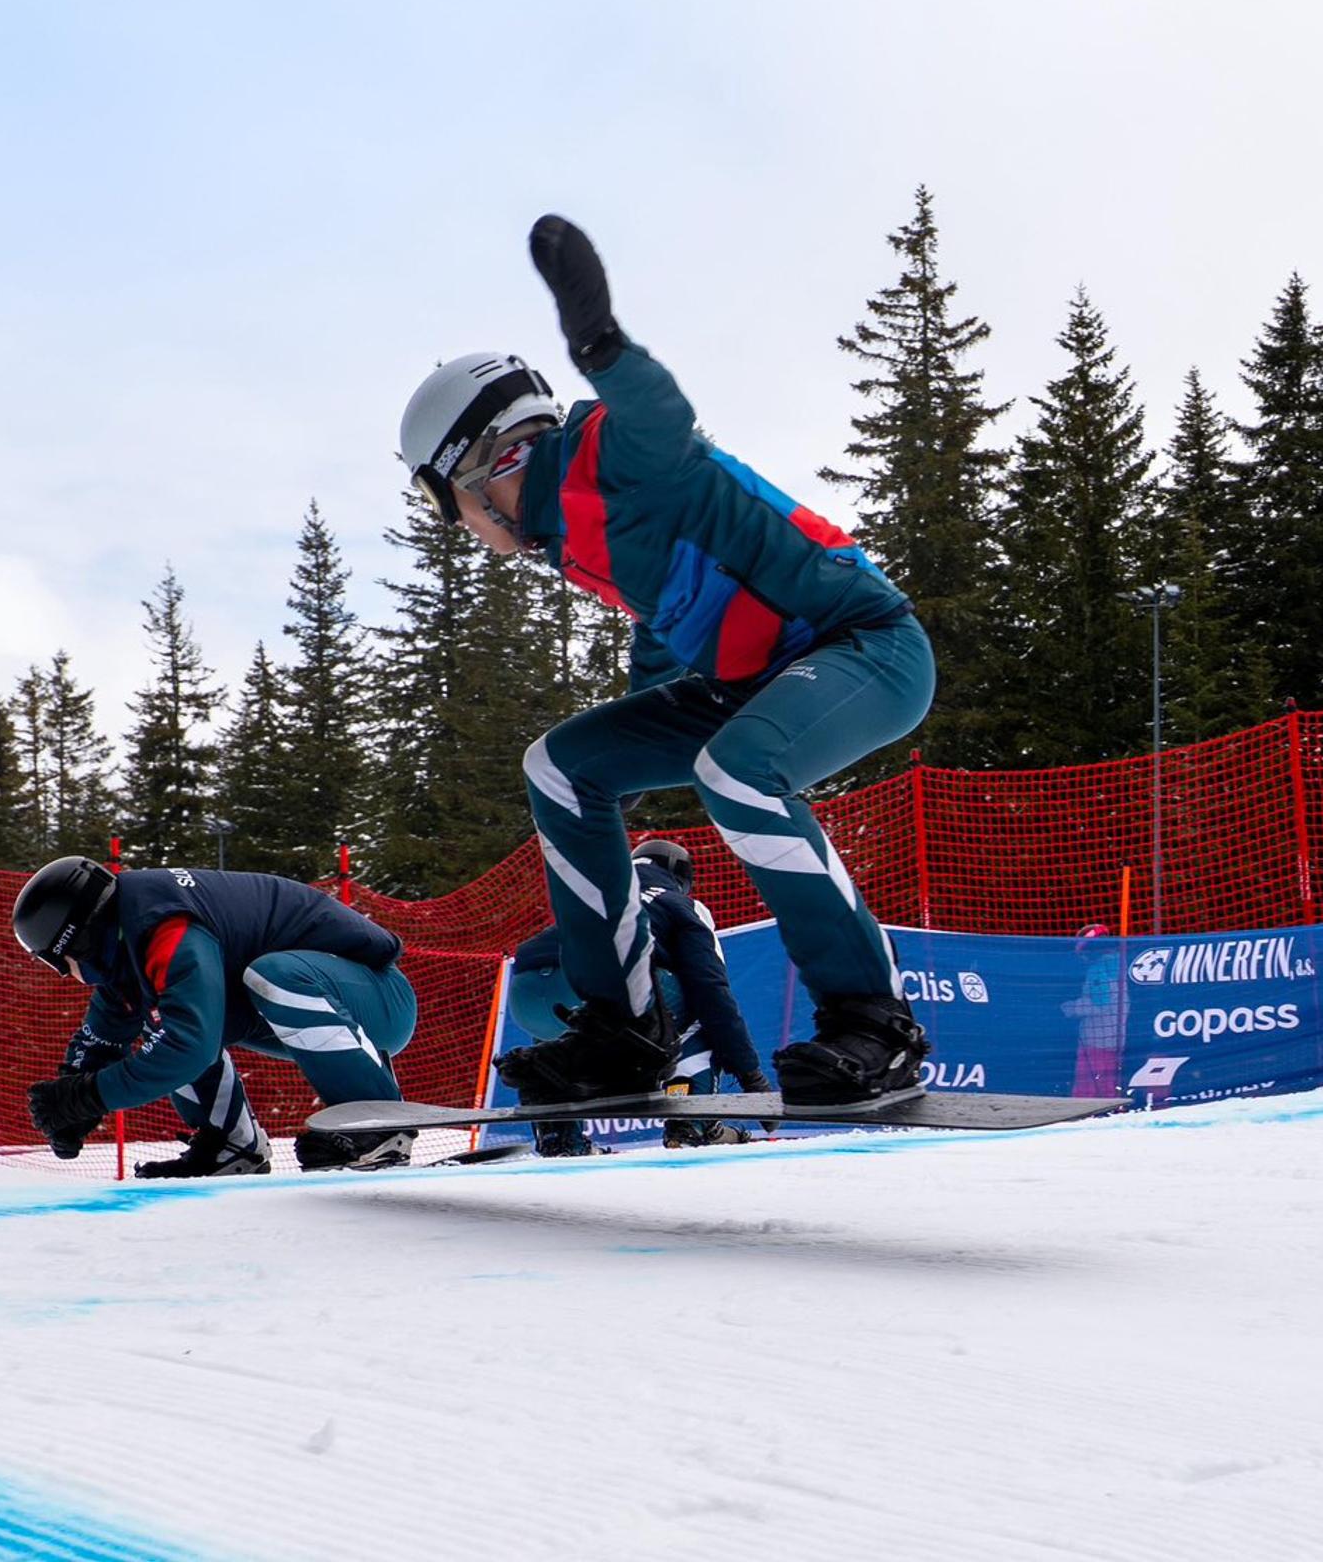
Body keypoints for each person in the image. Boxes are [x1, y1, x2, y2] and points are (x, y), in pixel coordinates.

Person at [396, 214, 937, 1110]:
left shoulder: (610, 456)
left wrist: (599, 343)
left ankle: (873, 1019)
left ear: (485, 466)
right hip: (748, 683)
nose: (458, 525)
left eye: (447, 501)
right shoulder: (568, 531)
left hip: (865, 647)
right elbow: (663, 615)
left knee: (738, 772)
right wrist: (638, 723)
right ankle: (624, 1028)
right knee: (561, 769)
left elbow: (660, 416)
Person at [15, 855, 421, 1175]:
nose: (63, 973)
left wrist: (88, 1096)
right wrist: (73, 1097)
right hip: (319, 994)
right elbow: (105, 1034)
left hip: (379, 999)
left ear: (77, 941)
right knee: (169, 1017)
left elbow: (187, 1048)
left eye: (56, 961)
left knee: (256, 985)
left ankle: (377, 1123)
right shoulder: (129, 941)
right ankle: (231, 1146)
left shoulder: (167, 927)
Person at [507, 837, 773, 1154]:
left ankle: (560, 1137)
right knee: (702, 1014)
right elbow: (711, 990)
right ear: (681, 877)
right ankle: (690, 1122)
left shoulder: (600, 892)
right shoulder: (681, 903)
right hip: (608, 983)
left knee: (557, 1044)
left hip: (525, 991)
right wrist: (750, 1074)